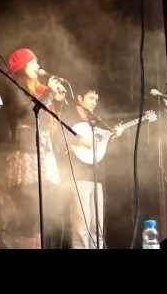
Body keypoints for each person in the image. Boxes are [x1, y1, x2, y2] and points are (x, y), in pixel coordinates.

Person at [3, 48, 67, 249]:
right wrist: (48, 93)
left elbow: (50, 119)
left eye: (37, 61)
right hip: (26, 152)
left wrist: (56, 99)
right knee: (30, 210)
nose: (37, 66)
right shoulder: (14, 86)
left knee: (46, 210)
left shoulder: (38, 88)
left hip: (44, 150)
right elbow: (29, 113)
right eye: (32, 62)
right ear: (22, 66)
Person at [60, 85, 124, 249]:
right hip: (78, 176)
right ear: (80, 98)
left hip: (96, 177)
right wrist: (80, 140)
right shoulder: (69, 115)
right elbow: (59, 137)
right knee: (81, 226)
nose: (94, 102)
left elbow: (100, 143)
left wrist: (114, 135)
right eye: (90, 98)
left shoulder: (95, 121)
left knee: (97, 226)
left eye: (96, 99)